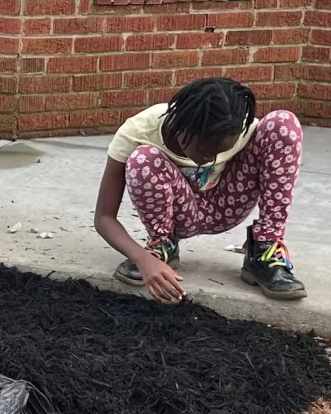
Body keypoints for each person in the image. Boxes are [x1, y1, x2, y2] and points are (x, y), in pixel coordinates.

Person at [94, 77, 305, 303]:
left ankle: (264, 249)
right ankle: (163, 246)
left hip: (229, 203)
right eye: (206, 150)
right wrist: (142, 258)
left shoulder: (235, 126)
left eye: (222, 150)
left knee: (283, 123)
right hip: (180, 214)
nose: (213, 158)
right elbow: (104, 217)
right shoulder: (137, 131)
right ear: (184, 127)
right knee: (142, 160)